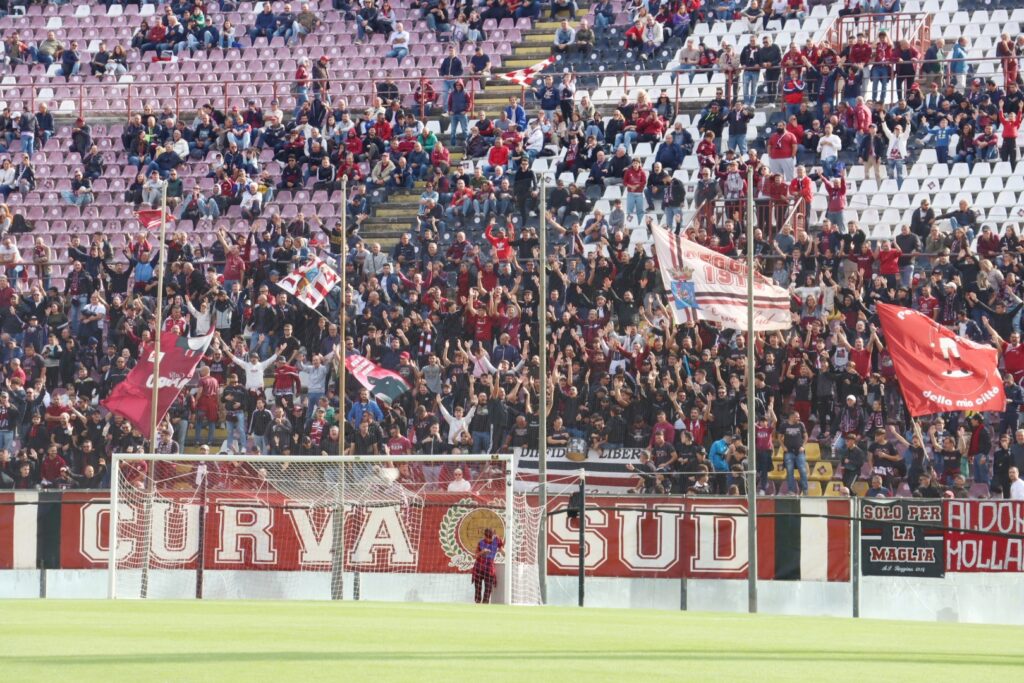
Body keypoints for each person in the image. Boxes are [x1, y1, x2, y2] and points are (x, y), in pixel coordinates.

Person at [471, 527, 503, 603]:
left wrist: (504, 552)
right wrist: (482, 552)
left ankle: (485, 605)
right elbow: (475, 556)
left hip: (489, 568)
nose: (490, 540)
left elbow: (501, 548)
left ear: (493, 536)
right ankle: (477, 604)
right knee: (478, 589)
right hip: (479, 567)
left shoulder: (497, 540)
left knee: (488, 589)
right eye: (488, 538)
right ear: (485, 536)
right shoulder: (480, 543)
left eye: (491, 538)